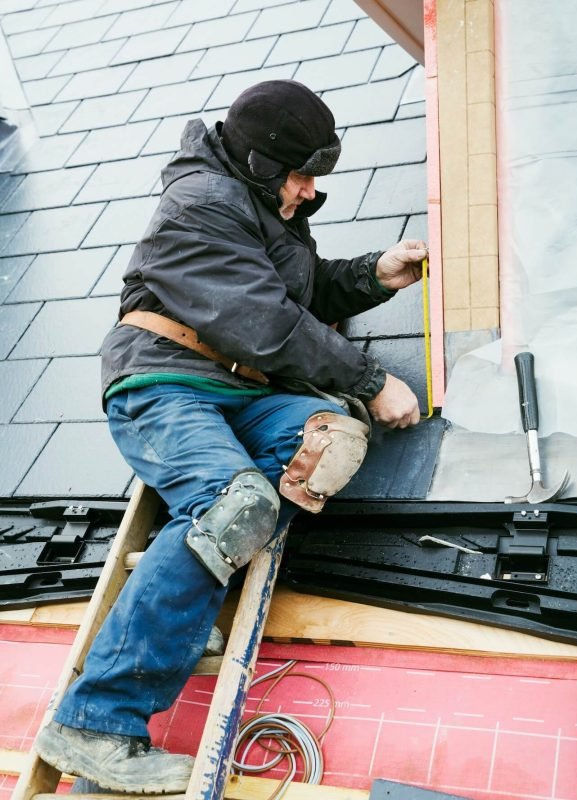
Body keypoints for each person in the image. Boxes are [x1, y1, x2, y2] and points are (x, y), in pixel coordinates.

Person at [35, 80, 427, 793]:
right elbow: (264, 320)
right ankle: (95, 721)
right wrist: (372, 379)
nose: (310, 190)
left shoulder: (265, 206)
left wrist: (374, 275)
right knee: (236, 504)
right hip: (164, 381)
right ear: (257, 162)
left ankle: (176, 606)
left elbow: (298, 301)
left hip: (242, 391)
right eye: (302, 174)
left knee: (329, 441)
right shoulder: (201, 203)